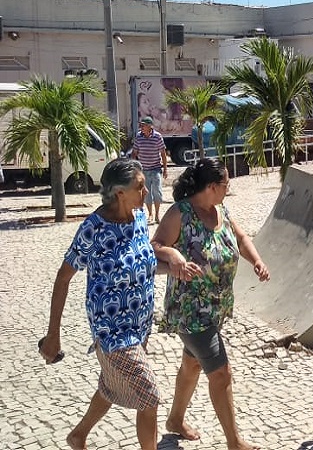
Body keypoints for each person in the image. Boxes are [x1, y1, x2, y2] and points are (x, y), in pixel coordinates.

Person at [39, 158, 189, 450]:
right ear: (119, 193)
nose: (146, 192)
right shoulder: (93, 229)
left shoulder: (139, 219)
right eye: (140, 187)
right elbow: (63, 276)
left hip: (140, 325)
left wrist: (172, 265)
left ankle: (78, 435)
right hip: (111, 331)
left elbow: (141, 266)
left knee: (112, 384)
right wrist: (54, 333)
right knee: (149, 396)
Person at [152, 158, 269, 450]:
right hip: (190, 311)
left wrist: (256, 260)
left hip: (215, 308)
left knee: (191, 365)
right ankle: (234, 442)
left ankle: (175, 420)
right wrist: (174, 256)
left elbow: (240, 238)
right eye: (226, 184)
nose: (228, 189)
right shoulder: (180, 214)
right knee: (220, 372)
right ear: (212, 186)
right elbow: (153, 248)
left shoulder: (221, 211)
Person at [131, 115, 167, 223]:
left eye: (144, 125)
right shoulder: (139, 137)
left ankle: (157, 215)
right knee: (146, 194)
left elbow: (163, 153)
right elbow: (134, 152)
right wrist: (134, 168)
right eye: (141, 125)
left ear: (150, 126)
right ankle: (150, 214)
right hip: (143, 170)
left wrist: (165, 169)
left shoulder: (157, 137)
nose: (141, 127)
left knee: (157, 192)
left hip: (156, 168)